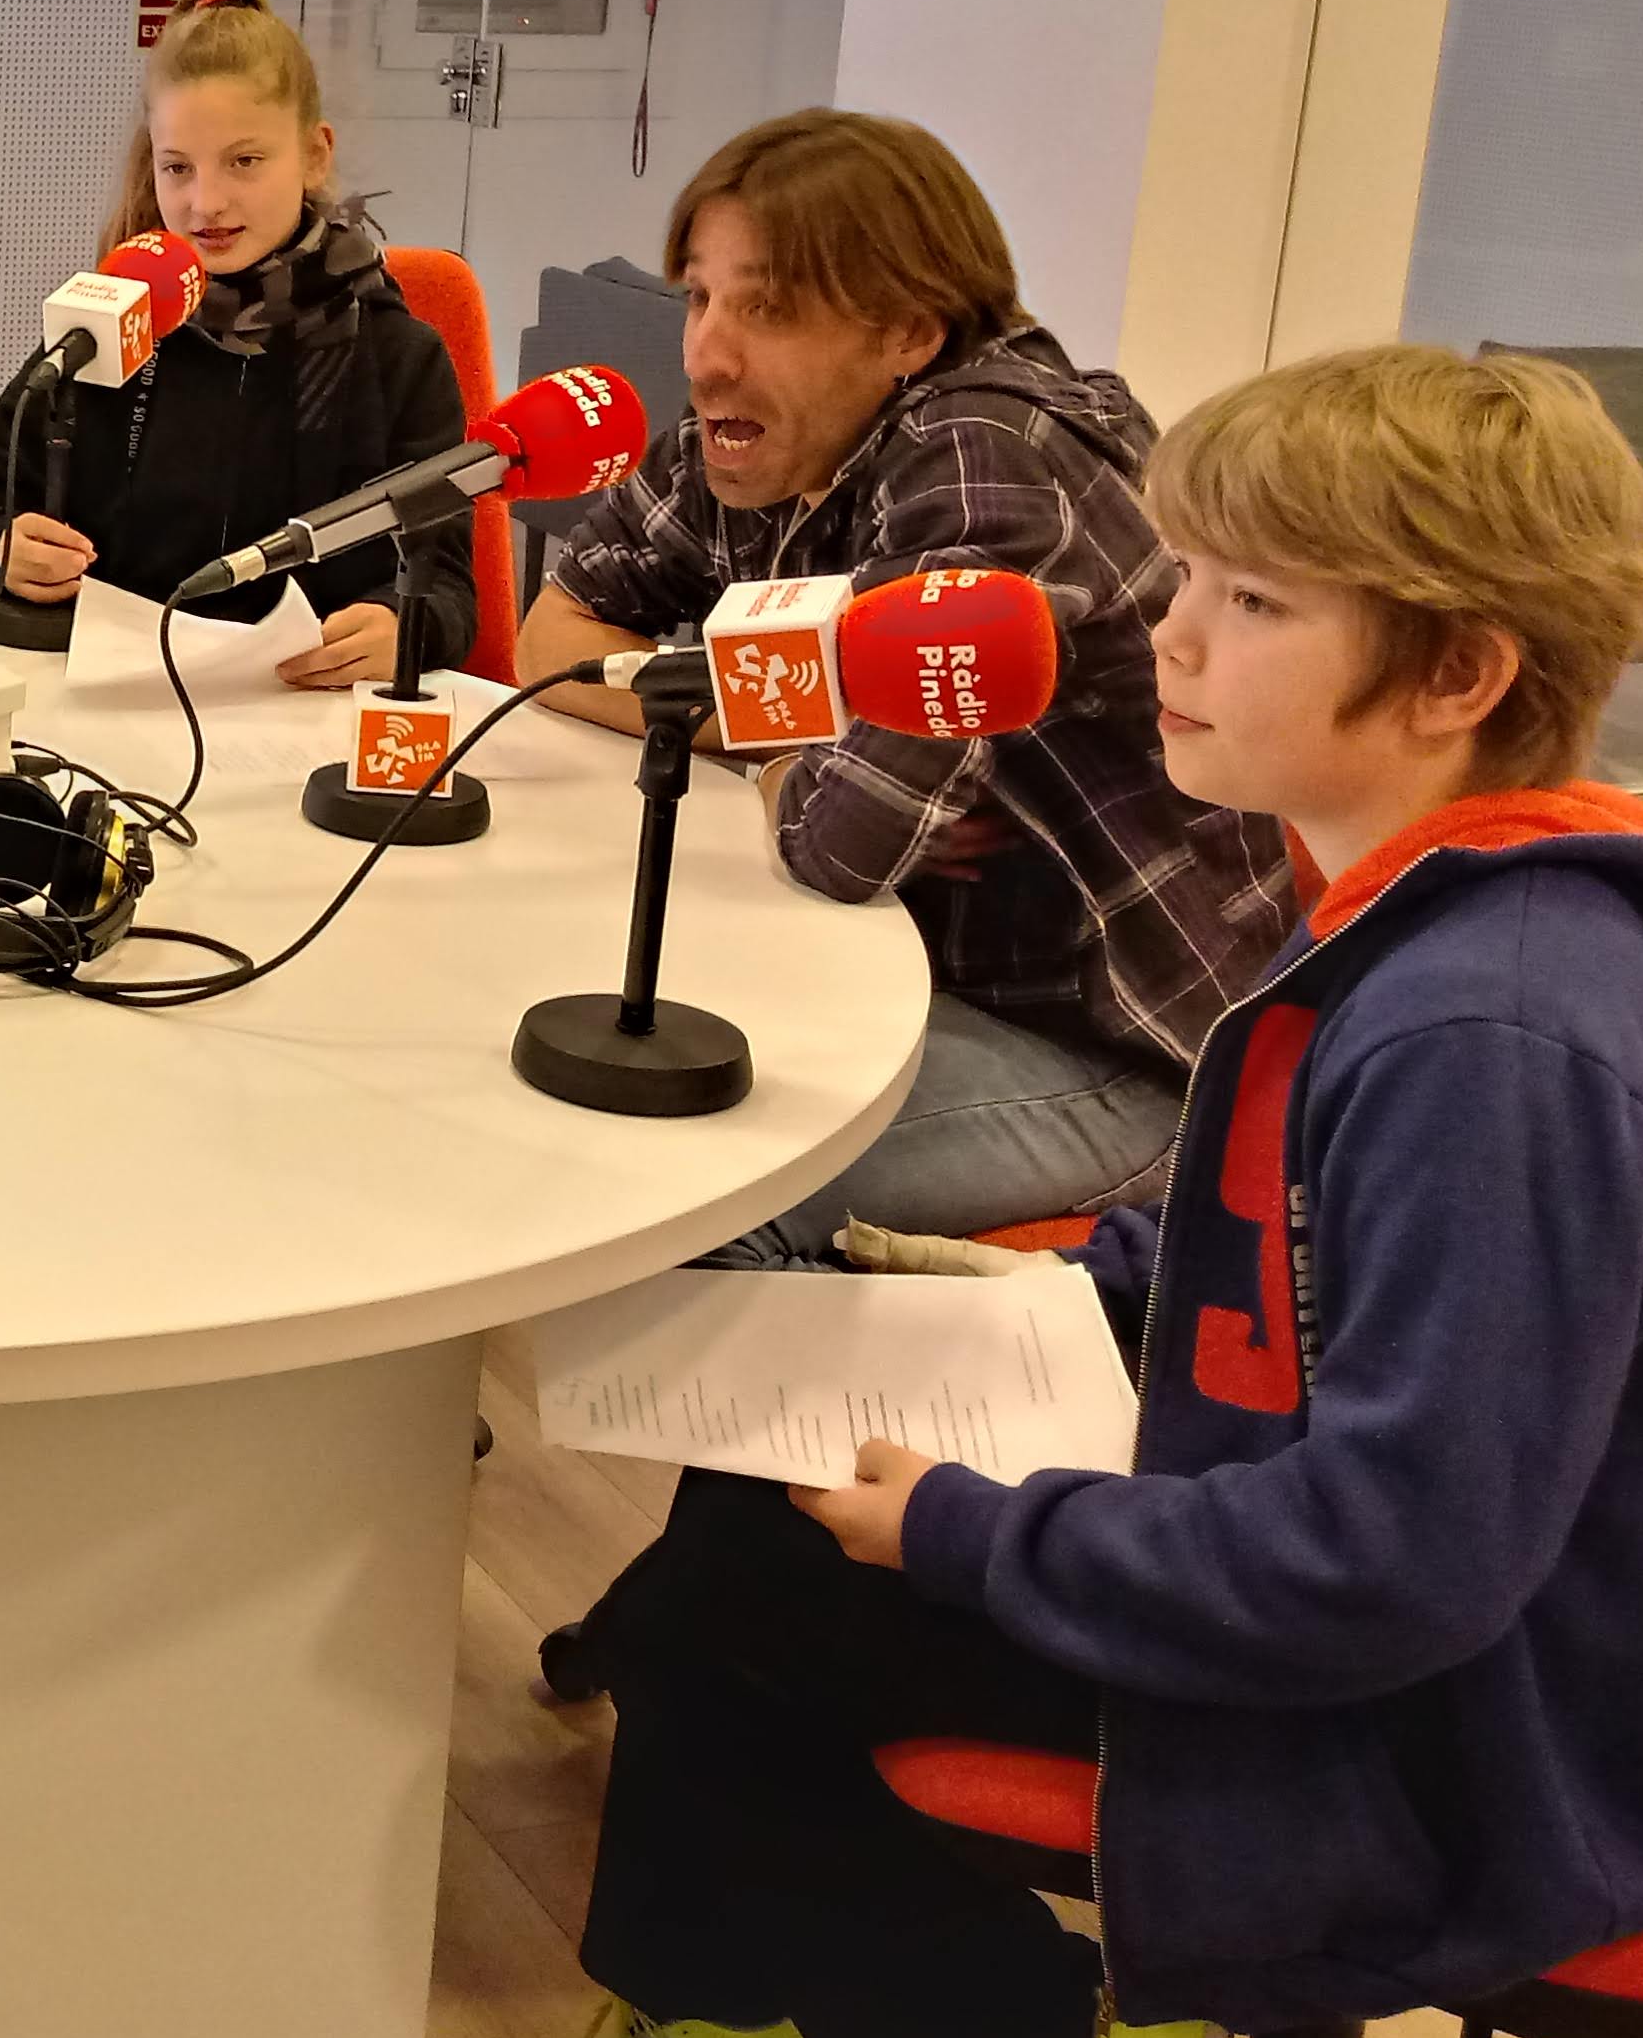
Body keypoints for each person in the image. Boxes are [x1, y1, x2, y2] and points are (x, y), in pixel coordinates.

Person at [528, 344, 1643, 2038]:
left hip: (1497, 1747)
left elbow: (1396, 1568)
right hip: (1460, 1634)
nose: (1172, 639)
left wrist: (980, 1532)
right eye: (1185, 578)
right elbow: (1290, 1259)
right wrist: (1048, 1307)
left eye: (1251, 600)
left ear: (1457, 673)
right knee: (753, 1507)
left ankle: (1045, 2031)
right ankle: (767, 1994)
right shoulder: (1439, 924)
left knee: (742, 1596)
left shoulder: (1502, 1042)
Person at [523, 111, 1290, 1260]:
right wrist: (782, 742)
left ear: (905, 332)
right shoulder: (759, 434)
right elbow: (551, 638)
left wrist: (778, 749)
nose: (706, 355)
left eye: (766, 309)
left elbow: (842, 847)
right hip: (900, 976)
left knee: (694, 1197)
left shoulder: (982, 456)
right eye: (699, 298)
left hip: (1128, 1056)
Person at [0, 0, 470, 687]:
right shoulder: (107, 331)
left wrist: (401, 628)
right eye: (178, 168)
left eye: (245, 161)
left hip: (305, 721)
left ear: (315, 153)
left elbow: (448, 594)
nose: (207, 202)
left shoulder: (396, 356)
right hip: (118, 709)